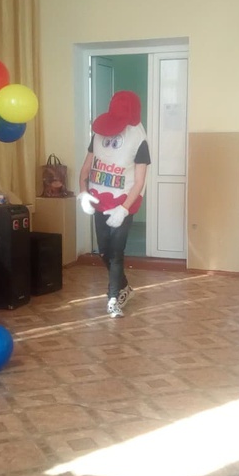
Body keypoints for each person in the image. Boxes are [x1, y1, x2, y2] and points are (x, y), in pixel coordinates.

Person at [77, 91, 150, 318]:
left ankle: (112, 299)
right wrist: (83, 193)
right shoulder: (98, 135)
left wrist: (124, 209)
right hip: (100, 200)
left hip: (123, 203)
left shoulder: (139, 141)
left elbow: (139, 181)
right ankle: (124, 287)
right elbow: (86, 168)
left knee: (116, 252)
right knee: (104, 252)